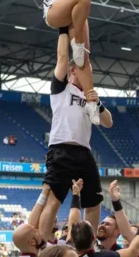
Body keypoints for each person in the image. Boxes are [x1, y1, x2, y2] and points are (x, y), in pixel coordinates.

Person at [38, 33, 112, 244]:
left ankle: (89, 244)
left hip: (84, 152)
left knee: (94, 202)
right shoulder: (61, 88)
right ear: (73, 70)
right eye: (86, 71)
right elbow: (62, 57)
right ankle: (44, 244)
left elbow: (108, 122)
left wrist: (97, 102)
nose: (91, 76)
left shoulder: (90, 97)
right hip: (62, 148)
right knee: (54, 200)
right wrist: (63, 30)